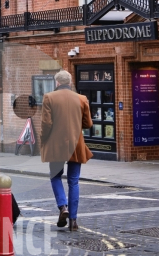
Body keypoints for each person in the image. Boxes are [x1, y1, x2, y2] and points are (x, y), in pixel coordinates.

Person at [40, 70, 92, 232]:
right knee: (74, 181)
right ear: (70, 83)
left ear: (57, 83)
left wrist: (43, 140)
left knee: (55, 176)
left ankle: (63, 206)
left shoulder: (49, 97)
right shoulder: (82, 99)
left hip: (56, 144)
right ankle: (73, 221)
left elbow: (46, 124)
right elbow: (88, 124)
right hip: (76, 144)